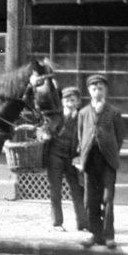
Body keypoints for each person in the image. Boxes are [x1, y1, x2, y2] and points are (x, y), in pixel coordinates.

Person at [74, 73, 124, 249]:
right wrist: (84, 154)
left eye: (100, 88)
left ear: (106, 90)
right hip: (90, 161)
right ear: (89, 91)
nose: (97, 91)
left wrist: (111, 152)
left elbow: (120, 137)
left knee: (107, 198)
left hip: (108, 161)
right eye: (94, 88)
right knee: (90, 199)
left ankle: (109, 235)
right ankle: (95, 234)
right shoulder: (83, 113)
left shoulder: (114, 112)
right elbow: (80, 135)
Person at [46, 86, 86, 232]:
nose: (70, 102)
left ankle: (83, 223)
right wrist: (41, 135)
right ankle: (57, 223)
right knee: (55, 190)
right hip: (55, 156)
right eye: (67, 99)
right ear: (62, 102)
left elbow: (86, 137)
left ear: (78, 102)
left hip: (72, 158)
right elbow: (40, 133)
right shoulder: (56, 117)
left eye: (73, 99)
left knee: (77, 190)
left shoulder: (82, 117)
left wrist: (81, 155)